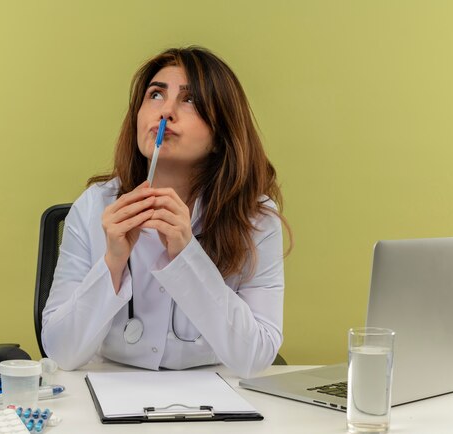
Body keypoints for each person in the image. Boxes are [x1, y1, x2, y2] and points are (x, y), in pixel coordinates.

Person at [41, 46, 290, 378]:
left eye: (189, 100)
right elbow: (60, 351)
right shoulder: (93, 207)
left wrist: (187, 255)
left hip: (213, 394)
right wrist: (113, 261)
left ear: (221, 134)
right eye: (155, 95)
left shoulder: (256, 219)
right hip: (110, 393)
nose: (166, 111)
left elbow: (256, 356)